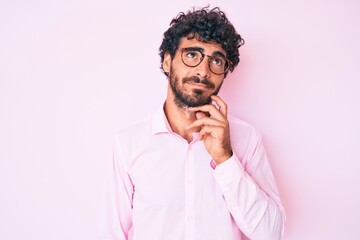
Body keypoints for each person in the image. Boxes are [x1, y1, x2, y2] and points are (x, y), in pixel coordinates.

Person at [98, 6, 285, 240]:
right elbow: (112, 233)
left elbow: (270, 233)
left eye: (216, 60)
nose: (203, 70)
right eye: (192, 54)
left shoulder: (247, 139)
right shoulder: (129, 143)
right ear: (168, 61)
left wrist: (225, 158)